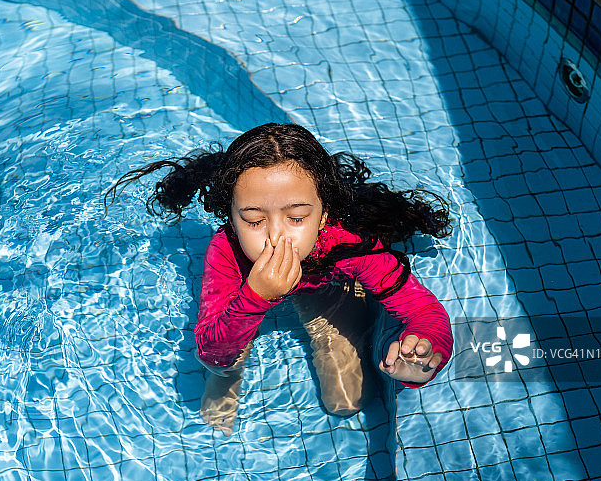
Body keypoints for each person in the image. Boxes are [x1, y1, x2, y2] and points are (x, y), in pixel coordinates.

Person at [105, 123, 453, 435]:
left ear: (323, 214)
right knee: (222, 360)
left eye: (297, 217)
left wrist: (425, 347)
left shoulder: (350, 247)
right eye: (254, 220)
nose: (276, 238)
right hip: (250, 293)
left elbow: (424, 312)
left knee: (346, 402)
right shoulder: (227, 251)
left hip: (323, 286)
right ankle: (229, 379)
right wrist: (256, 295)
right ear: (230, 217)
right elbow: (211, 350)